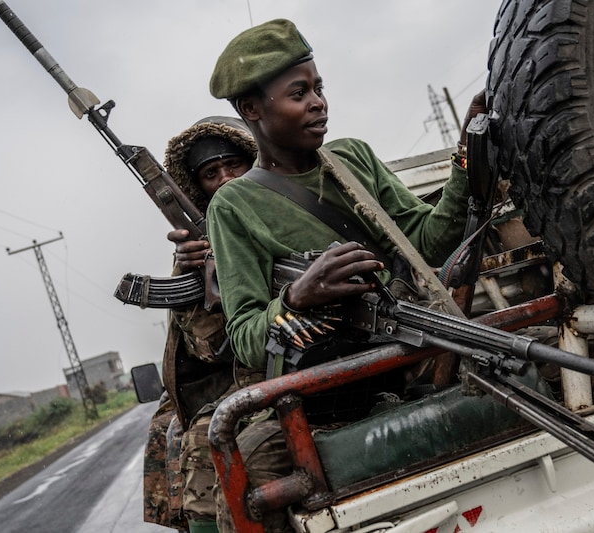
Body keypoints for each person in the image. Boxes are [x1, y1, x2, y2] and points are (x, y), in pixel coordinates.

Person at [205, 19, 486, 532]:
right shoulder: (233, 204)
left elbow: (426, 240)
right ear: (252, 110)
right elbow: (245, 335)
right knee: (248, 480)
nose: (318, 102)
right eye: (299, 93)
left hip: (406, 357)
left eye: (319, 88)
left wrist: (467, 156)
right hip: (322, 399)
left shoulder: (351, 158)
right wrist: (297, 296)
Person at [142, 116, 257, 533]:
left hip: (287, 360)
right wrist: (192, 275)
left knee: (203, 437)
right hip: (238, 370)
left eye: (235, 165)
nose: (226, 179)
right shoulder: (202, 249)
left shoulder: (291, 204)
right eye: (211, 173)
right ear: (198, 189)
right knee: (170, 428)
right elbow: (210, 349)